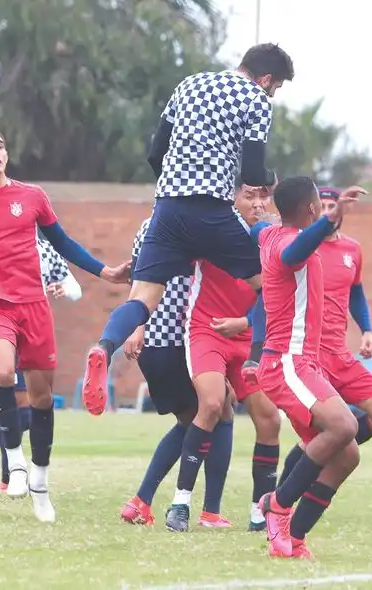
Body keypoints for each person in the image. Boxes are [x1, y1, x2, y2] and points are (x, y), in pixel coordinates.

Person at [78, 43, 295, 417]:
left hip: (167, 208)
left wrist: (177, 184)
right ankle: (255, 363)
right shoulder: (256, 99)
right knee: (272, 287)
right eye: (274, 87)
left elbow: (154, 153)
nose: (271, 93)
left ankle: (102, 346)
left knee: (142, 299)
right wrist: (268, 181)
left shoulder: (188, 84)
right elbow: (255, 172)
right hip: (212, 209)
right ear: (265, 79)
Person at [0, 128, 129, 522]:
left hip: (34, 307)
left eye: (1, 145)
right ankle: (15, 461)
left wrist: (104, 271)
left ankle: (39, 480)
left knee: (40, 399)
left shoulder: (32, 196)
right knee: (2, 370)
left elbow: (63, 242)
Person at [251, 177, 366, 559]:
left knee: (348, 453)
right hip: (287, 361)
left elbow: (271, 225)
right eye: (321, 203)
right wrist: (328, 223)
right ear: (313, 209)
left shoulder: (269, 233)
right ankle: (278, 506)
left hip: (302, 363)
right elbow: (291, 253)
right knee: (345, 425)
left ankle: (294, 539)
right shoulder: (286, 242)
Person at [165, 182, 282, 533]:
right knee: (213, 404)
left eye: (264, 196)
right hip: (206, 330)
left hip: (248, 339)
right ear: (232, 198)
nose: (258, 204)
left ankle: (261, 511)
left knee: (270, 420)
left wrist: (246, 322)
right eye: (250, 195)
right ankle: (180, 503)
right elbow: (169, 246)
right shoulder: (212, 227)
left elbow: (275, 292)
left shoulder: (272, 238)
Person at [276, 187, 372, 488]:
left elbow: (356, 291)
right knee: (319, 436)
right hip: (309, 355)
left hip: (339, 352)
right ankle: (281, 499)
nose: (330, 209)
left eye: (335, 204)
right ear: (315, 210)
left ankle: (321, 452)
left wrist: (367, 329)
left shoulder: (352, 250)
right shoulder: (304, 246)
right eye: (325, 205)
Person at [118, 217, 235, 530]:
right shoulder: (187, 224)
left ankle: (143, 501)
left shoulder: (147, 225)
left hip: (158, 340)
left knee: (207, 413)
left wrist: (137, 326)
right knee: (211, 413)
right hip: (174, 340)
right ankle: (204, 511)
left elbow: (138, 281)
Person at [0, 233, 84, 493]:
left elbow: (76, 289)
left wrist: (63, 289)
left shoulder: (46, 251)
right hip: (3, 336)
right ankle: (3, 475)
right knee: (22, 410)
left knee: (26, 412)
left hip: (33, 335)